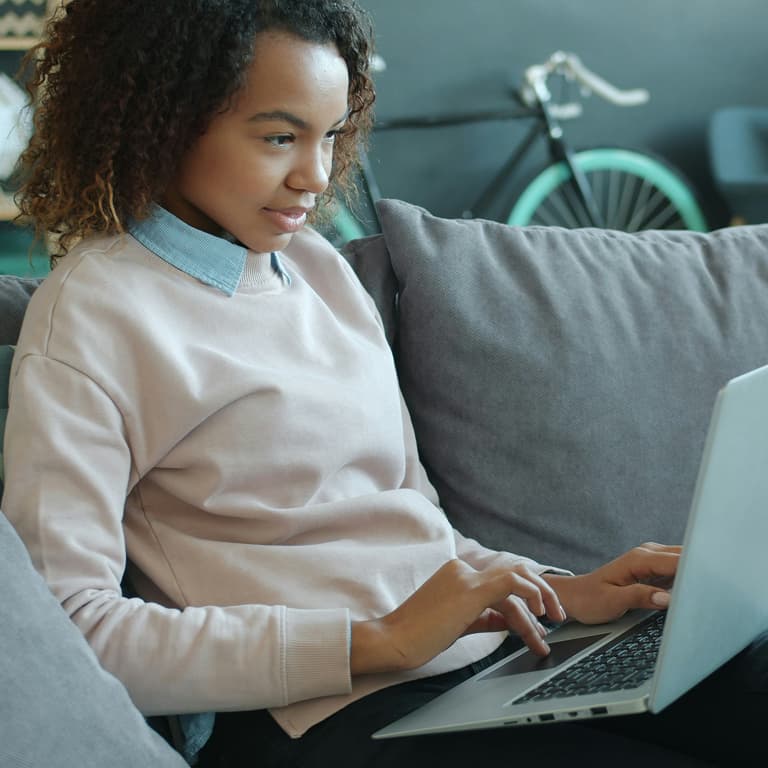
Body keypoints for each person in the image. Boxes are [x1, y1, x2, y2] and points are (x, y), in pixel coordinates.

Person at [3, 1, 764, 766]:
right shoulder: (92, 316)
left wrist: (565, 593)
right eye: (278, 137)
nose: (316, 175)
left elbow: (411, 524)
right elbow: (73, 629)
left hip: (482, 662)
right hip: (328, 712)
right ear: (164, 122)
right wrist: (380, 639)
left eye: (329, 135)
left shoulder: (316, 270)